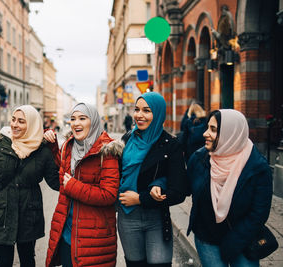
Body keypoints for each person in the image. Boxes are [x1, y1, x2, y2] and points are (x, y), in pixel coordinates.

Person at [0, 105, 60, 267]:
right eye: (13, 120)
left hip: (29, 215)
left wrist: (55, 149)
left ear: (32, 125)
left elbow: (56, 182)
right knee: (2, 263)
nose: (14, 125)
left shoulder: (42, 150)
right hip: (1, 214)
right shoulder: (0, 144)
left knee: (28, 261)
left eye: (21, 121)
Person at [187, 109, 273, 267]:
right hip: (207, 239)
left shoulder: (257, 167)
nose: (205, 133)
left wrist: (233, 242)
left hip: (243, 240)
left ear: (230, 134)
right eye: (208, 127)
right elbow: (183, 187)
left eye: (213, 129)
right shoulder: (200, 158)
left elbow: (259, 213)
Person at [44, 103, 122, 267]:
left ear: (93, 121)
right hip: (67, 235)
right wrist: (52, 148)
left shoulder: (106, 151)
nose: (76, 123)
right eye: (73, 119)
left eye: (82, 118)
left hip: (94, 240)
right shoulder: (68, 146)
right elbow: (64, 173)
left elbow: (108, 194)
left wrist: (73, 186)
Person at [118, 92, 188, 267]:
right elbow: (114, 175)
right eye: (137, 110)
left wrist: (141, 198)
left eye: (146, 111)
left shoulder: (171, 144)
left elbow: (179, 191)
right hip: (128, 218)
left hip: (156, 218)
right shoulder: (127, 140)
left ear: (157, 114)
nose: (139, 115)